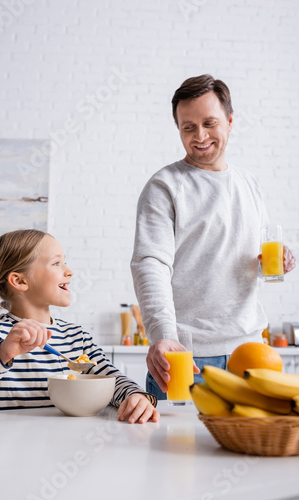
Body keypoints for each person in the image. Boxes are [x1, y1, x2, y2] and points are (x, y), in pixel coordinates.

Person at [130, 74, 296, 400]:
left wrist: (275, 262)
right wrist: (162, 335)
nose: (200, 136)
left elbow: (247, 260)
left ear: (230, 121)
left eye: (210, 123)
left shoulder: (249, 184)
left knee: (250, 448)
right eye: (188, 127)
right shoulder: (165, 186)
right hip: (184, 356)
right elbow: (150, 263)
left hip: (250, 353)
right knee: (174, 450)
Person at [0, 229, 159, 424]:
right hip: (8, 450)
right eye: (56, 263)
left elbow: (111, 379)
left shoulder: (76, 337)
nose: (69, 271)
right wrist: (2, 354)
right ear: (20, 281)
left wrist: (136, 397)